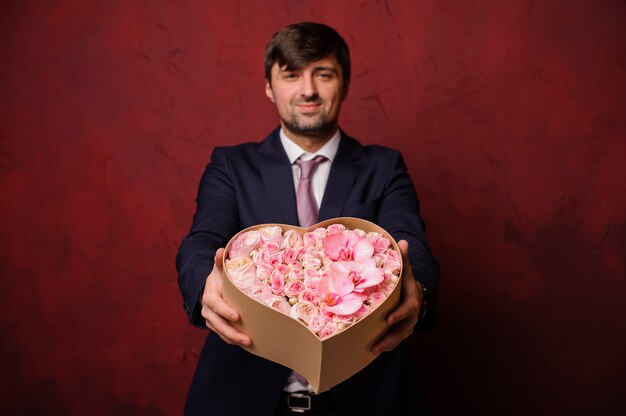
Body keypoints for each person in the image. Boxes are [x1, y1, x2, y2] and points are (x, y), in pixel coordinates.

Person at [177, 22, 439, 415]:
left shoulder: (383, 167)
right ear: (269, 86)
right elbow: (201, 241)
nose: (308, 91)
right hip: (242, 395)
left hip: (364, 395)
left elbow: (410, 241)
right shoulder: (232, 165)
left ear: (345, 84)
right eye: (292, 74)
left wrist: (417, 289)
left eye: (323, 74)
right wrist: (205, 286)